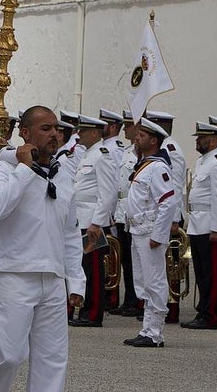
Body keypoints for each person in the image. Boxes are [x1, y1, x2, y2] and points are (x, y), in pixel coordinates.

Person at [0, 106, 84, 391]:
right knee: (8, 357)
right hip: (15, 275)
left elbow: (70, 232)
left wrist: (76, 281)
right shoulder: (3, 170)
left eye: (56, 129)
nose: (54, 135)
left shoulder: (62, 174)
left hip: (53, 278)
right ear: (25, 133)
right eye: (45, 128)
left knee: (52, 360)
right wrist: (24, 169)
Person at [123, 117, 180, 348]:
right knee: (143, 281)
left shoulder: (157, 167)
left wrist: (159, 234)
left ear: (154, 140)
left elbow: (168, 202)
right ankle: (147, 328)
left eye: (142, 136)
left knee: (154, 281)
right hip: (138, 230)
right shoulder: (144, 164)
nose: (137, 138)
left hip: (149, 232)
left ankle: (155, 332)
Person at [183, 121, 217, 330]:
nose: (197, 141)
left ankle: (211, 314)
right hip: (197, 223)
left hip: (209, 226)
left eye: (201, 138)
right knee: (202, 272)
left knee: (211, 273)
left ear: (212, 140)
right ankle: (203, 310)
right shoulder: (204, 161)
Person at [69, 114, 114, 328]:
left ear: (95, 133)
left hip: (92, 223)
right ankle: (85, 309)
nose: (79, 135)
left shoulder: (102, 156)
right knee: (84, 266)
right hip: (81, 219)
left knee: (94, 269)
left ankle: (94, 313)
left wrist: (97, 222)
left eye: (83, 131)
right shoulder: (89, 155)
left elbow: (108, 193)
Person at [112, 111, 141, 317]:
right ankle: (129, 298)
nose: (125, 129)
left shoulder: (143, 153)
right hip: (122, 212)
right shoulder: (127, 151)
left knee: (135, 260)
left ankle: (137, 300)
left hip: (134, 212)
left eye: (129, 125)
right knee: (125, 260)